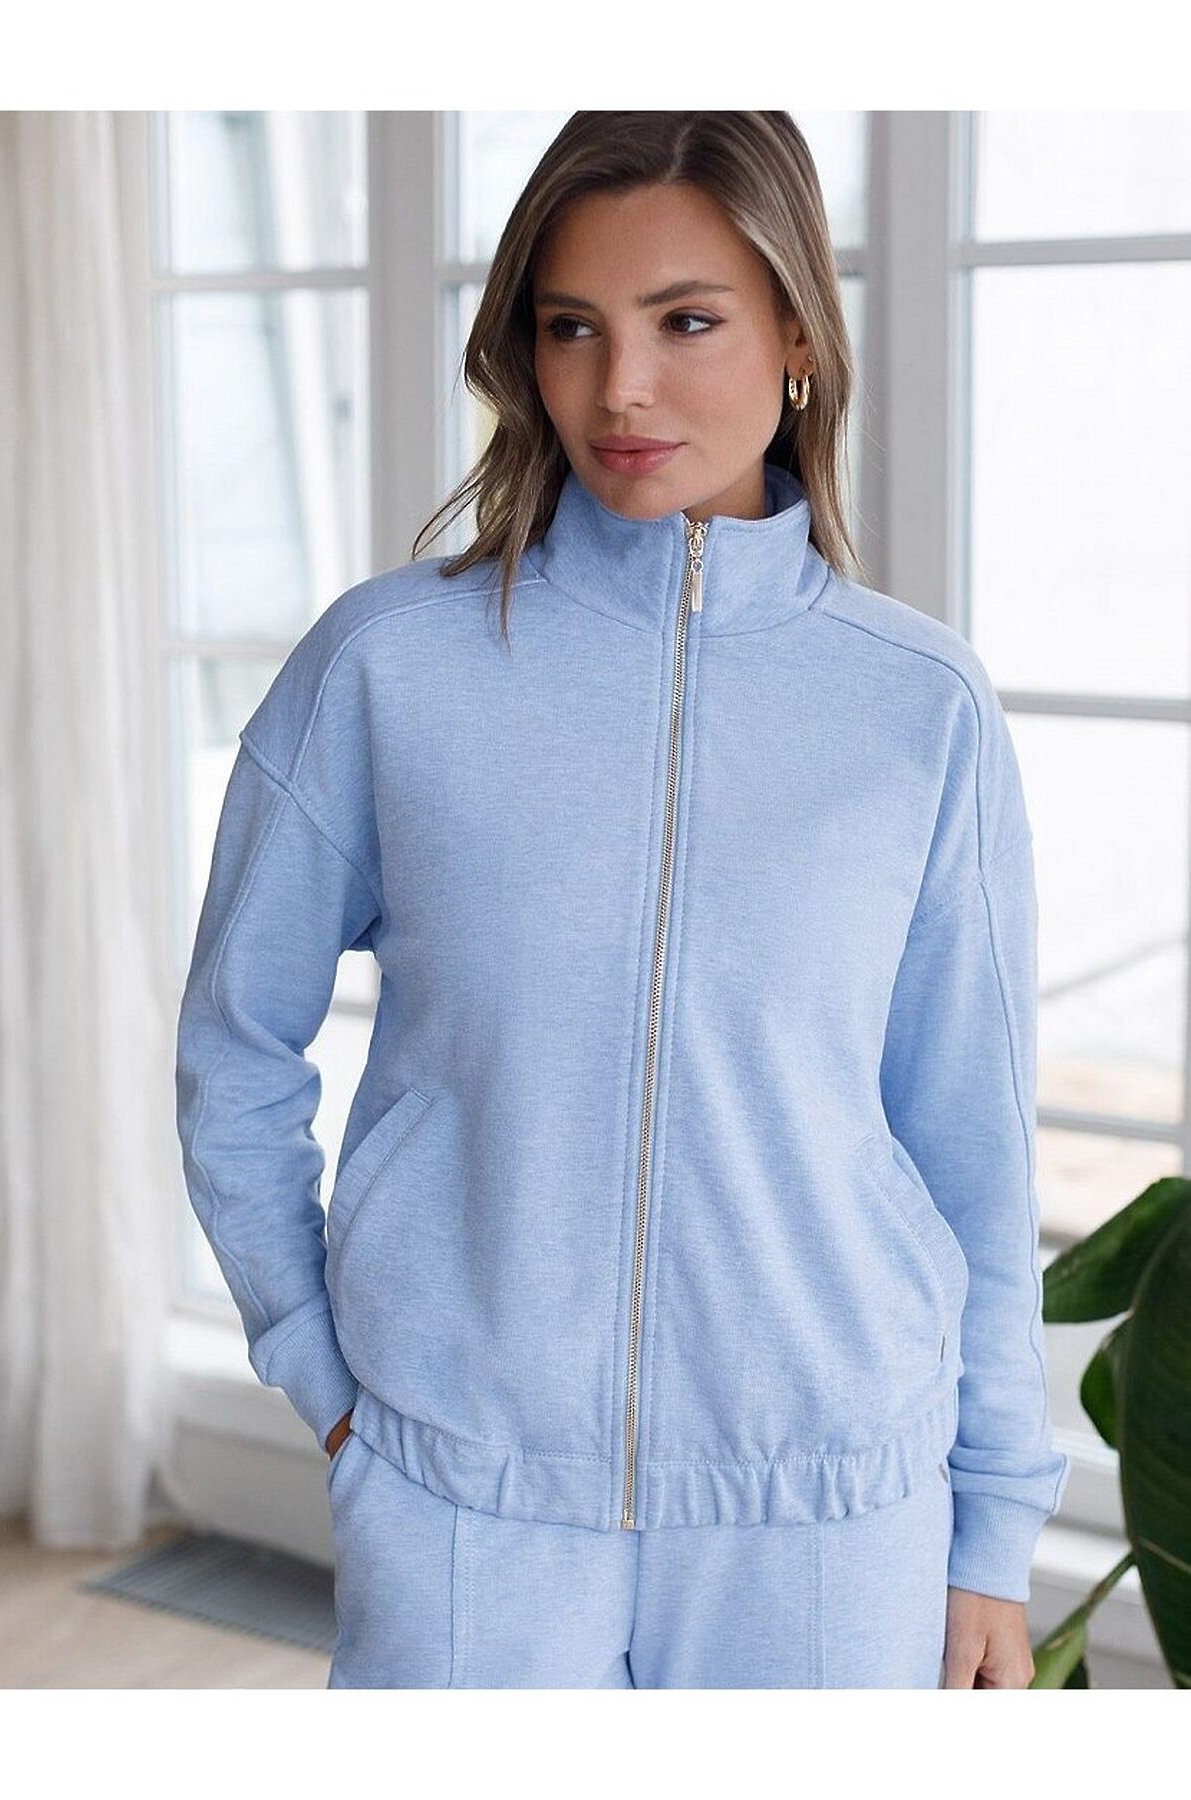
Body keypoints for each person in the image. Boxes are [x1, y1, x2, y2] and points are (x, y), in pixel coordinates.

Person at [174, 111, 1069, 1689]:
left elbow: (970, 1144)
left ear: (799, 338)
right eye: (571, 327)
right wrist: (324, 1374)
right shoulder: (389, 669)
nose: (619, 390)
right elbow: (235, 1051)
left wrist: (991, 1526)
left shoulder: (917, 707)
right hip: (466, 1501)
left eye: (687, 322)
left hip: (829, 1513)